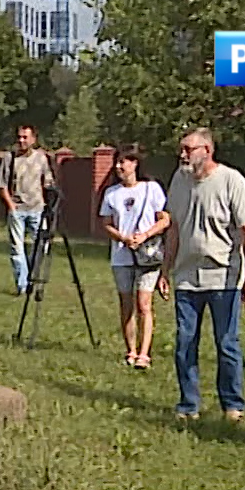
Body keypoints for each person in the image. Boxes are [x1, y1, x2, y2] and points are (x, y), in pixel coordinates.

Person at [160, 127, 245, 422]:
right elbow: (175, 229)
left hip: (224, 277)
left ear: (207, 151)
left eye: (188, 149)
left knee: (226, 343)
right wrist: (165, 271)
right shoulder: (179, 181)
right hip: (186, 277)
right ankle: (188, 404)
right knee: (185, 341)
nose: (182, 155)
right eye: (181, 149)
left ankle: (232, 405)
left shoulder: (231, 180)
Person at [97, 143, 170, 370]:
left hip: (147, 255)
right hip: (122, 256)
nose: (119, 166)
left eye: (124, 162)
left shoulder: (152, 189)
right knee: (126, 303)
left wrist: (145, 235)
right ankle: (130, 350)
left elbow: (165, 219)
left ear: (135, 164)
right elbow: (106, 223)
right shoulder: (112, 193)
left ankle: (144, 353)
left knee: (144, 303)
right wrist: (122, 237)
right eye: (117, 162)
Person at [0, 124, 56, 296]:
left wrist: (49, 202)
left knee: (42, 246)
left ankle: (31, 276)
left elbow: (48, 182)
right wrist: (11, 206)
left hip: (37, 209)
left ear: (33, 139)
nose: (21, 140)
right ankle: (22, 286)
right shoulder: (10, 158)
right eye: (19, 137)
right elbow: (2, 185)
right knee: (17, 248)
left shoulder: (41, 158)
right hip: (17, 210)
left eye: (25, 137)